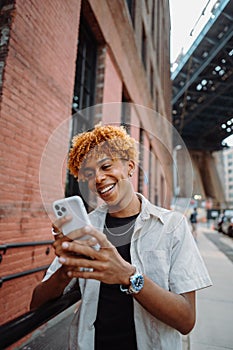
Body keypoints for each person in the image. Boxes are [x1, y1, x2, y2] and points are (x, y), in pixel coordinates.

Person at [30, 124, 212, 350]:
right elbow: (36, 303)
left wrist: (128, 276)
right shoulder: (86, 229)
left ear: (130, 166)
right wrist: (68, 267)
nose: (98, 178)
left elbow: (186, 321)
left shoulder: (172, 226)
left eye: (106, 166)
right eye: (88, 174)